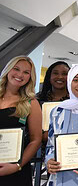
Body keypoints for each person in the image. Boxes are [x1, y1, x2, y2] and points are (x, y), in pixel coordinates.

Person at [0, 56, 42, 186]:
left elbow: (36, 140)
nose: (20, 75)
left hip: (15, 172)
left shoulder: (31, 103)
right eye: (16, 69)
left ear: (30, 76)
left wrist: (17, 165)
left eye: (26, 72)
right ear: (8, 70)